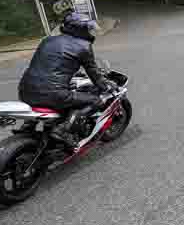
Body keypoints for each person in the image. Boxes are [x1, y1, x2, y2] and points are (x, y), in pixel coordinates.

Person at [18, 12, 113, 147]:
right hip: (54, 95)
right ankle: (63, 129)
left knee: (48, 96)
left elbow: (49, 64)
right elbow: (94, 75)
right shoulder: (84, 47)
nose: (90, 32)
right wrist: (107, 86)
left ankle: (27, 127)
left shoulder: (47, 40)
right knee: (96, 101)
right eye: (87, 28)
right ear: (79, 30)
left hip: (25, 91)